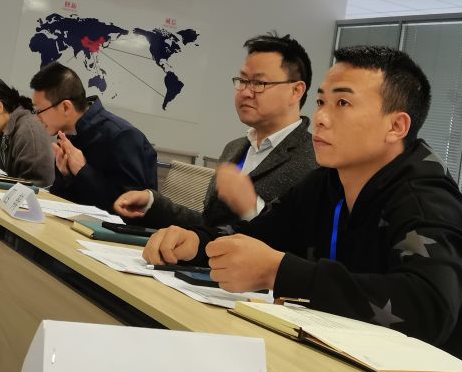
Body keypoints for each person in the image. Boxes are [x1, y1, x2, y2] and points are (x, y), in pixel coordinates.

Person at [143, 45, 462, 372]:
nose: (321, 117)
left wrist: (280, 272)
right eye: (322, 102)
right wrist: (197, 243)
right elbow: (261, 236)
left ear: (396, 126)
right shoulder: (329, 181)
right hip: (358, 368)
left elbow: (426, 308)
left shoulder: (425, 197)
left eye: (343, 104)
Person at [114, 32, 316, 230]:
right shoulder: (234, 148)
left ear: (295, 91)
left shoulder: (314, 160)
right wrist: (153, 205)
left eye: (258, 83)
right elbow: (210, 227)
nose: (245, 92)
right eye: (243, 80)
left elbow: (303, 244)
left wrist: (252, 208)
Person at [29, 63, 157, 210]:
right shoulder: (68, 135)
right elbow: (62, 203)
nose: (37, 118)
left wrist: (83, 171)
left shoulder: (122, 136)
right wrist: (66, 177)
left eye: (39, 111)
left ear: (66, 107)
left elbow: (131, 209)